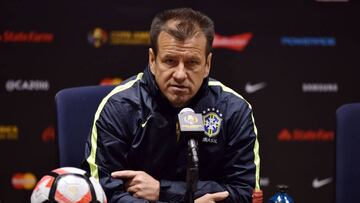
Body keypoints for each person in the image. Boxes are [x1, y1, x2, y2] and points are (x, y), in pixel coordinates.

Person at [82, 7, 260, 203]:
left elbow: (245, 193)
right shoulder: (119, 107)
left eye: (192, 62)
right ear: (152, 60)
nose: (180, 75)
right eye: (170, 61)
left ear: (207, 64)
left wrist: (163, 190)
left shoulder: (234, 110)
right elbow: (103, 195)